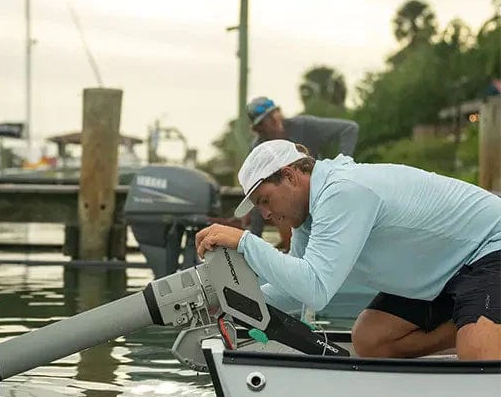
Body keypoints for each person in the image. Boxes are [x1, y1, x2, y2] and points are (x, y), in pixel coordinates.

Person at [196, 139, 501, 360]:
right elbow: (295, 290)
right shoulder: (309, 216)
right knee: (371, 340)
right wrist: (229, 301)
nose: (264, 214)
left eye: (265, 200)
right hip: (446, 270)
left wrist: (245, 242)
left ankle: (481, 333)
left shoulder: (342, 191)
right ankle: (474, 325)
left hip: (489, 245)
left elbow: (315, 289)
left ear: (289, 176)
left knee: (478, 355)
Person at [245, 96, 359, 251]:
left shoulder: (303, 126)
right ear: (258, 128)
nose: (275, 121)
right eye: (268, 120)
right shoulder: (258, 150)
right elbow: (259, 194)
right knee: (277, 206)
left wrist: (342, 165)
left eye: (274, 115)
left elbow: (349, 128)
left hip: (318, 195)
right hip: (290, 205)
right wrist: (252, 244)